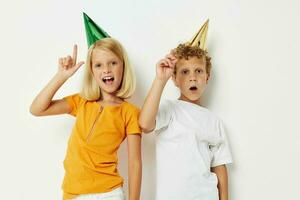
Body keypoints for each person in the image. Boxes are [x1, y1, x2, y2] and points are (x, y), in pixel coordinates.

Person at [30, 37, 142, 200]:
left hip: (109, 193)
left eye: (113, 63)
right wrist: (61, 76)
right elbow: (37, 109)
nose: (106, 70)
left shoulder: (130, 112)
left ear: (123, 66)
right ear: (92, 71)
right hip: (73, 193)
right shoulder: (81, 101)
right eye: (98, 65)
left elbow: (135, 163)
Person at [139, 21, 233, 200]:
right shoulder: (170, 109)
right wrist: (160, 80)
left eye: (198, 71)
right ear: (174, 78)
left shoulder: (214, 121)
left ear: (207, 77)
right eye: (184, 72)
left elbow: (220, 166)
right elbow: (144, 123)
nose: (192, 78)